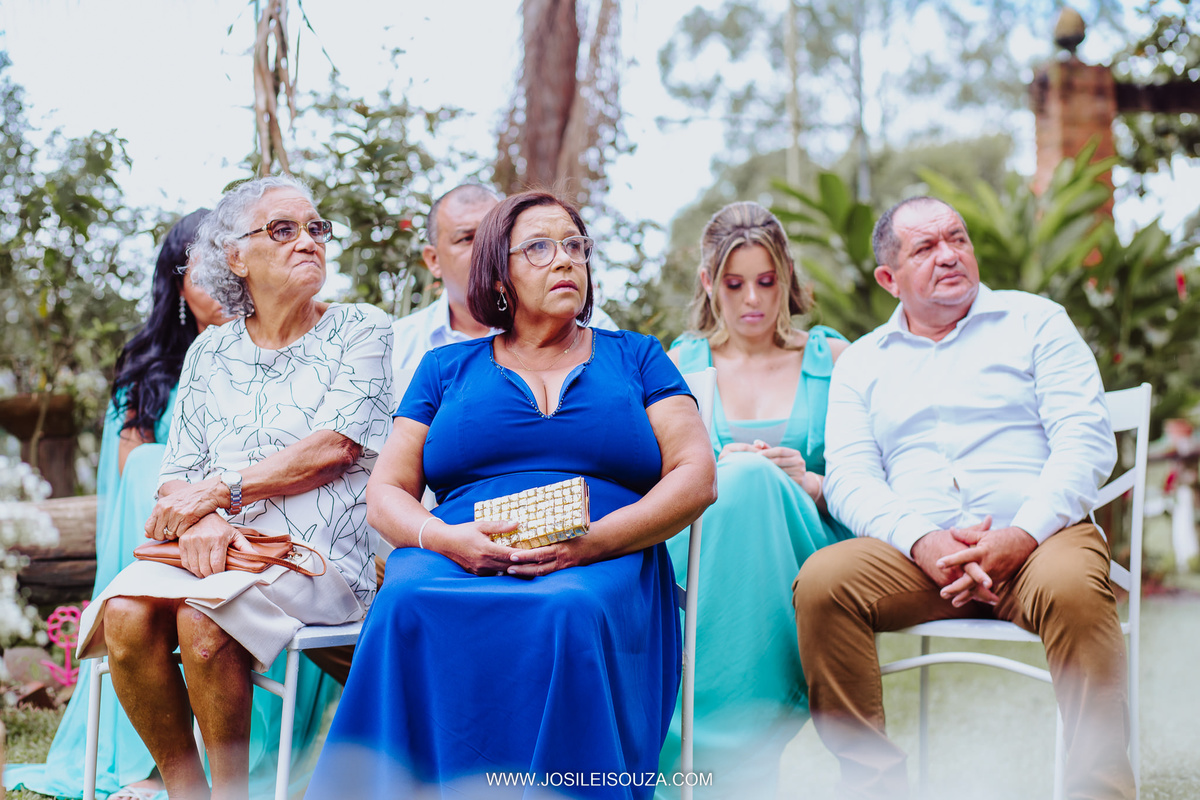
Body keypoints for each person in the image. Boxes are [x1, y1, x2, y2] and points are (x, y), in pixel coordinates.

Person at [306, 190, 716, 798]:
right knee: (404, 599)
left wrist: (595, 542)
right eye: (540, 248)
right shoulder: (444, 368)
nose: (566, 259)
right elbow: (386, 490)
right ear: (499, 275)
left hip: (603, 554)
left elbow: (696, 474)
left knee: (566, 608)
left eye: (574, 245)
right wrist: (445, 539)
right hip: (458, 550)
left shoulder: (637, 356)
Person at [792, 197, 1134, 800]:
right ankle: (874, 788)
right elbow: (848, 476)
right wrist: (922, 541)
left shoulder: (1037, 322)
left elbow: (1085, 440)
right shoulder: (862, 362)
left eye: (958, 238)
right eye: (926, 247)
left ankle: (1100, 792)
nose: (949, 255)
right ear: (889, 278)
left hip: (1041, 543)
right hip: (917, 558)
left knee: (1075, 589)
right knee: (823, 584)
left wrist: (1020, 535)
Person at [73, 174, 394, 800]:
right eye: (283, 229)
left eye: (315, 228)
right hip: (215, 553)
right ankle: (184, 791)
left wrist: (218, 495)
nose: (308, 241)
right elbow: (176, 475)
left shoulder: (361, 328)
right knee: (126, 616)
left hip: (315, 558)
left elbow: (335, 448)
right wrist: (203, 519)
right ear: (236, 257)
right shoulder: (211, 350)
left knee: (202, 616)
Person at [660, 201, 851, 797]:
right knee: (735, 482)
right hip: (707, 555)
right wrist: (719, 473)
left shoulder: (835, 360)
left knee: (749, 479)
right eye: (734, 283)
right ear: (707, 282)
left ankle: (723, 753)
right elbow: (659, 478)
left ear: (787, 277)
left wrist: (809, 481)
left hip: (810, 548)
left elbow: (876, 479)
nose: (752, 300)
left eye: (766, 282)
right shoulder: (679, 366)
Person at [390, 183, 619, 379]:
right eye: (466, 238)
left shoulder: (594, 331)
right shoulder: (396, 345)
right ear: (433, 260)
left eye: (495, 238)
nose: (484, 251)